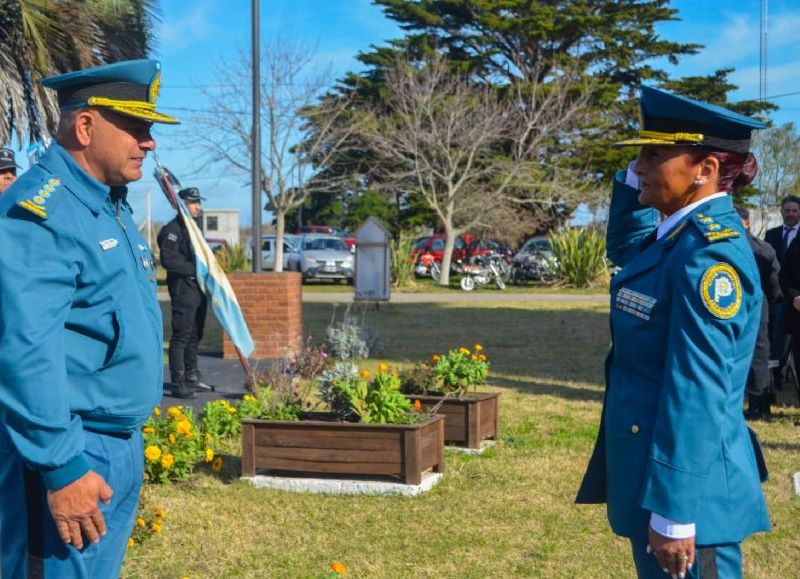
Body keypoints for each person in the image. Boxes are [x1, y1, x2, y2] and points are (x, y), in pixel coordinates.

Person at [576, 86, 770, 578]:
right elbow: (625, 245)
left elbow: (698, 388)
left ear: (705, 170)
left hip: (690, 499)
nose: (639, 166)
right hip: (659, 478)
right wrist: (638, 175)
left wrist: (674, 512)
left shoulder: (708, 254)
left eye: (654, 154)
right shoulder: (676, 234)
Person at [0, 59, 178, 578]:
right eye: (137, 127)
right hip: (75, 450)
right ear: (85, 126)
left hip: (117, 442)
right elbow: (23, 349)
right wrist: (62, 465)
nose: (148, 142)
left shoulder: (108, 205)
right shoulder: (41, 212)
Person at [158, 186, 210, 399]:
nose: (197, 206)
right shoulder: (173, 229)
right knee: (181, 336)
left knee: (195, 334)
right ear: (181, 205)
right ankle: (178, 383)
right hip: (183, 290)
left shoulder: (194, 227)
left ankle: (192, 376)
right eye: (193, 202)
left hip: (198, 289)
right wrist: (194, 270)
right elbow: (168, 260)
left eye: (198, 202)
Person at [736, 206, 782, 419]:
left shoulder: (722, 245)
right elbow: (774, 283)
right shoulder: (762, 248)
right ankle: (758, 404)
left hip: (728, 303)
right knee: (758, 354)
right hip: (756, 304)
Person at [763, 195, 800, 386]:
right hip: (777, 296)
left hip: (796, 297)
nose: (790, 214)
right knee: (775, 339)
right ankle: (774, 376)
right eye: (787, 211)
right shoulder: (771, 235)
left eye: (794, 211)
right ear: (781, 212)